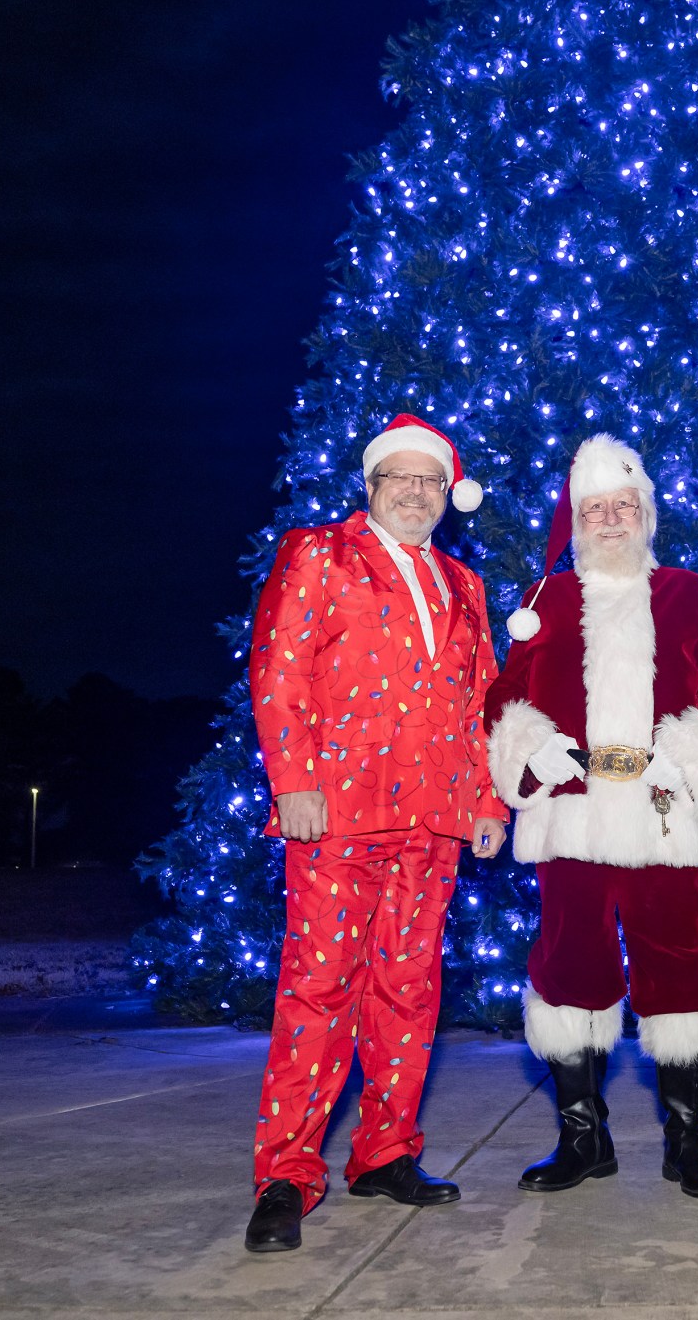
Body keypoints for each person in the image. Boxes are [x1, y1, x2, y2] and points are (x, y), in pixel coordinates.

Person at [242, 413, 509, 1252]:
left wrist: (488, 804)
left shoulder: (464, 584)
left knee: (408, 987)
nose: (416, 491)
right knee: (320, 991)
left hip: (433, 823)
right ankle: (286, 1172)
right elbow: (278, 668)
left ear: (447, 494)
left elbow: (481, 705)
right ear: (371, 485)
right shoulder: (320, 552)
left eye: (430, 480)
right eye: (400, 476)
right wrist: (295, 784)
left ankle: (385, 1151)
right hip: (339, 813)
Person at [485, 433, 698, 1199]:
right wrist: (534, 755)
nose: (609, 518)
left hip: (669, 818)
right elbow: (506, 701)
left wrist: (691, 758)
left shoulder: (689, 592)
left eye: (622, 505)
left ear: (645, 513)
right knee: (569, 972)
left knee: (685, 971)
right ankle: (582, 1136)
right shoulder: (547, 602)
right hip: (574, 818)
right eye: (595, 507)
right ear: (577, 519)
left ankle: (686, 1140)